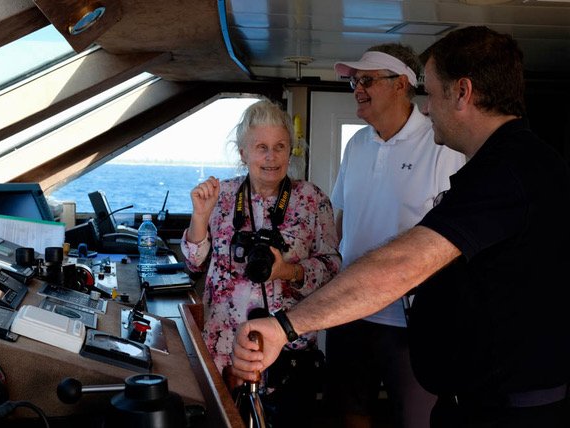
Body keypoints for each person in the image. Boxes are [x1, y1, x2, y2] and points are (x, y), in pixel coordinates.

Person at [231, 26, 570, 428]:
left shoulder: (506, 172)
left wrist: (285, 326)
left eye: (433, 93)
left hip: (507, 406)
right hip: (480, 391)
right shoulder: (512, 163)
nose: (427, 108)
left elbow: (405, 262)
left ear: (462, 92)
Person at [325, 44, 466, 428]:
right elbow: (341, 220)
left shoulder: (440, 145)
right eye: (354, 82)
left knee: (418, 418)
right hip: (350, 307)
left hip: (412, 320)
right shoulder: (356, 144)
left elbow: (453, 239)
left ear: (401, 84)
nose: (357, 89)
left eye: (367, 80)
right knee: (350, 411)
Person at [180, 98, 341, 425]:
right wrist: (199, 217)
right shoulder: (221, 196)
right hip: (226, 350)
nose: (271, 157)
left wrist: (287, 271)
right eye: (261, 147)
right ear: (243, 153)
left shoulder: (312, 199)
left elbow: (332, 269)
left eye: (280, 147)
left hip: (289, 351)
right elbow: (194, 264)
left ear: (290, 151)